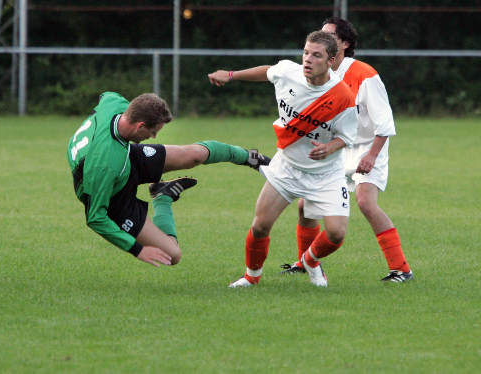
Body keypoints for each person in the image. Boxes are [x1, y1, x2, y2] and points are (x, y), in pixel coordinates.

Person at [208, 31, 357, 287]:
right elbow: (267, 71)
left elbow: (347, 137)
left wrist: (329, 148)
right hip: (287, 167)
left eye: (316, 55)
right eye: (306, 52)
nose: (308, 59)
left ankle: (310, 260)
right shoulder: (289, 72)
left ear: (331, 60)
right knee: (260, 226)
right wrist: (231, 75)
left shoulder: (343, 97)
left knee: (336, 234)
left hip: (325, 174)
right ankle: (251, 278)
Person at [67, 91, 270, 267]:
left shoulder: (115, 104)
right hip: (114, 196)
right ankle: (163, 197)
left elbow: (106, 95)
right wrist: (137, 249)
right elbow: (96, 218)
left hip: (127, 157)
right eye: (153, 132)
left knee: (193, 155)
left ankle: (253, 159)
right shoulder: (104, 165)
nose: (154, 137)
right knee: (172, 255)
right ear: (140, 126)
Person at [279, 17, 413, 283]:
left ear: (345, 44)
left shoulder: (364, 74)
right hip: (337, 150)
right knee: (306, 206)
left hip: (367, 147)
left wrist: (371, 156)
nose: (322, 38)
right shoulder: (318, 72)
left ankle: (401, 269)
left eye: (329, 35)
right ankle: (305, 262)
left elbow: (385, 123)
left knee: (365, 202)